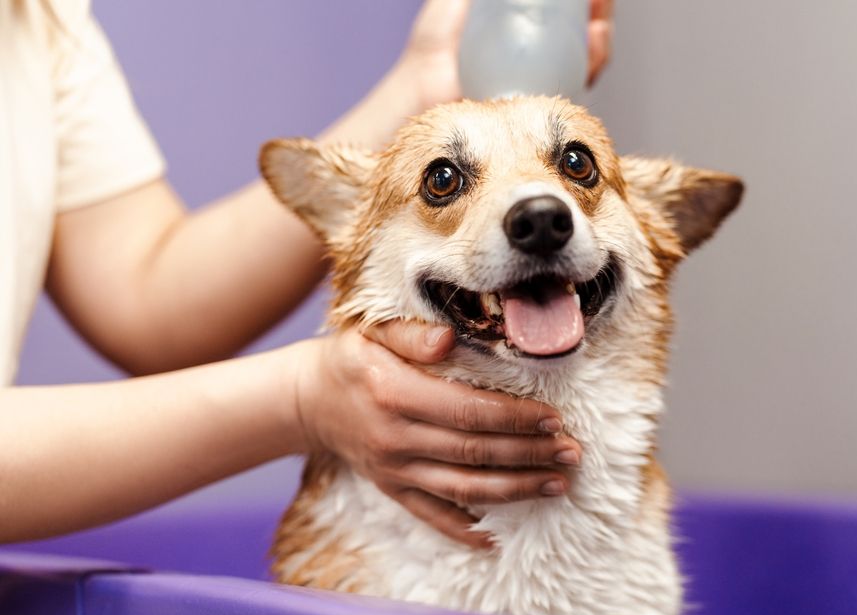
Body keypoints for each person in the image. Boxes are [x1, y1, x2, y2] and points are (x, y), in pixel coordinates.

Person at [0, 0, 614, 547]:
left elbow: (143, 289)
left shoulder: (41, 14)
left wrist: (424, 82)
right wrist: (300, 398)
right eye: (446, 183)